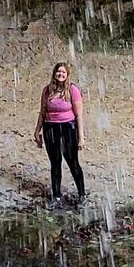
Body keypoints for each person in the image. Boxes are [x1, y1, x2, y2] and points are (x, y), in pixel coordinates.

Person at [33, 61, 85, 204]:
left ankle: (82, 194)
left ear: (67, 75)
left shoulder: (73, 90)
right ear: (54, 73)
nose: (60, 74)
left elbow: (79, 114)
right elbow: (42, 112)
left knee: (72, 160)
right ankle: (56, 195)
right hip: (50, 128)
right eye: (58, 72)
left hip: (68, 127)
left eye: (63, 72)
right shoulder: (47, 90)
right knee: (55, 162)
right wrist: (37, 131)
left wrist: (81, 137)